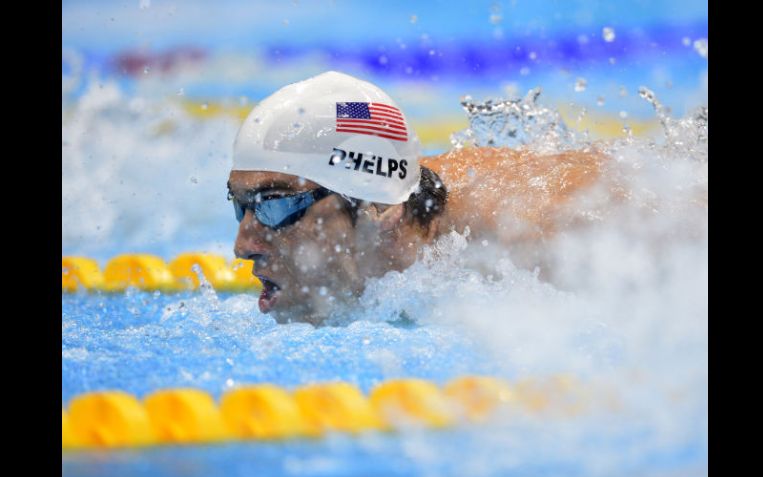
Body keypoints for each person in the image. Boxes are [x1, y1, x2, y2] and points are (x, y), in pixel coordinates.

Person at [228, 71, 605, 323]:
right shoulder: (380, 182)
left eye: (275, 205)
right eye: (241, 206)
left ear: (382, 209)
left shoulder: (541, 232)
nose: (243, 247)